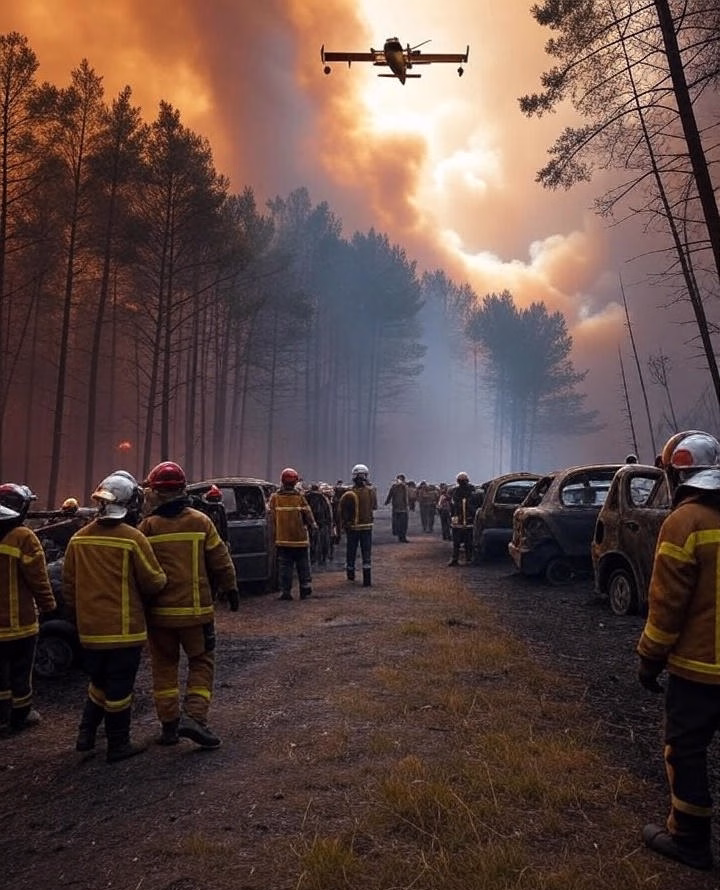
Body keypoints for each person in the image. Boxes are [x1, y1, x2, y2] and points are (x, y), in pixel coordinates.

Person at [636, 430, 720, 871]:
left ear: (677, 473)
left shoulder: (684, 522)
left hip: (699, 670)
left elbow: (666, 605)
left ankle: (689, 839)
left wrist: (649, 658)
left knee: (684, 750)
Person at [63, 472, 167, 762]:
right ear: (129, 503)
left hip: (90, 632)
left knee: (98, 682)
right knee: (120, 688)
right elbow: (154, 581)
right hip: (124, 631)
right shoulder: (133, 539)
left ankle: (85, 734)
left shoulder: (78, 540)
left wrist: (80, 616)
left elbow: (69, 586)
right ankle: (118, 744)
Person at [139, 461, 238, 749]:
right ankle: (194, 717)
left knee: (164, 668)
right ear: (183, 490)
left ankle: (169, 726)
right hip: (197, 614)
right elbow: (220, 559)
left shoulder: (146, 527)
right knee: (201, 663)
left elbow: (139, 570)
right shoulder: (200, 521)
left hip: (160, 617)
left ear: (155, 492)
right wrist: (231, 588)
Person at [0, 484, 56, 733]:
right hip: (20, 622)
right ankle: (21, 714)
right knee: (21, 671)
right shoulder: (23, 537)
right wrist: (49, 605)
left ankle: (1, 718)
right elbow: (38, 578)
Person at [267, 468, 317, 601]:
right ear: (295, 482)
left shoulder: (275, 498)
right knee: (303, 564)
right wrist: (313, 526)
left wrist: (272, 535)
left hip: (283, 539)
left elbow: (270, 517)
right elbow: (309, 515)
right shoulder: (300, 497)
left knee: (285, 566)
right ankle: (305, 588)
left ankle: (286, 592)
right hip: (300, 538)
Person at [339, 464, 378, 587]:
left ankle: (350, 572)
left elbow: (342, 510)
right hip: (367, 526)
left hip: (352, 527)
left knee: (351, 550)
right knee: (366, 553)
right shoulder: (371, 491)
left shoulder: (348, 492)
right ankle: (367, 578)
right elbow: (374, 506)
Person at [448, 472, 479, 566]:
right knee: (457, 541)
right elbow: (453, 505)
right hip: (459, 518)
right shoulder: (455, 491)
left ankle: (468, 559)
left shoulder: (472, 491)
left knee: (468, 541)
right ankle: (456, 558)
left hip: (468, 518)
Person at [384, 474, 409, 542]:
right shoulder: (397, 487)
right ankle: (400, 537)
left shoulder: (403, 487)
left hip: (401, 508)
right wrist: (387, 501)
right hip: (398, 508)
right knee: (399, 524)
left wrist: (387, 502)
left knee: (402, 524)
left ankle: (402, 537)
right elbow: (390, 495)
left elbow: (406, 497)